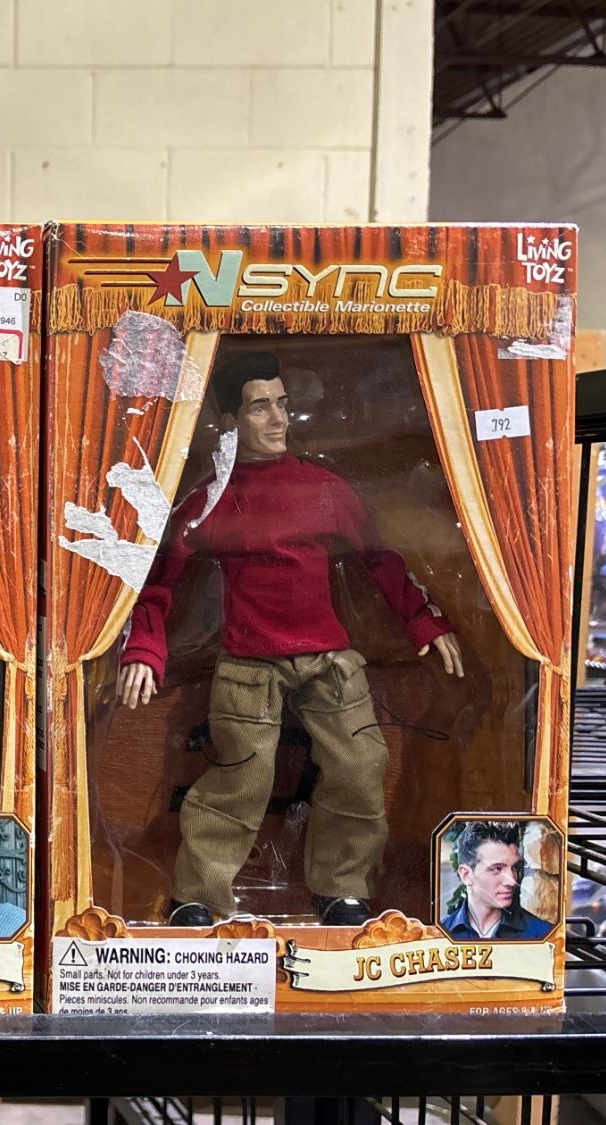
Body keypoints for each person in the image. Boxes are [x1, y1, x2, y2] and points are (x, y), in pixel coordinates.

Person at [116, 352, 464, 928]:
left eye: (282, 404)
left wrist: (424, 622)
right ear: (229, 421)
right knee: (242, 775)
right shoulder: (208, 500)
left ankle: (342, 889)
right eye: (260, 407)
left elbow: (379, 560)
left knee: (361, 763)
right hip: (249, 662)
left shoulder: (324, 488)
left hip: (329, 659)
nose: (279, 419)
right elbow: (155, 582)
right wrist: (144, 649)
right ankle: (198, 895)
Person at [441, 821, 553, 940]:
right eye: (497, 869)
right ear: (466, 875)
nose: (511, 881)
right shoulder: (439, 935)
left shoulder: (544, 936)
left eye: (514, 867)